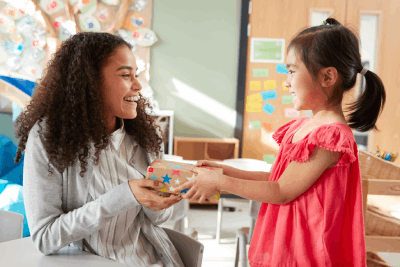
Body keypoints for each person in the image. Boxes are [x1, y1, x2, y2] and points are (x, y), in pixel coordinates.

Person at [173, 18, 386, 266]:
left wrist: (220, 182)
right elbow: (280, 180)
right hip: (288, 244)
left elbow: (282, 192)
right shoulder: (306, 127)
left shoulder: (330, 137)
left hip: (306, 253)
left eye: (292, 71)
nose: (286, 82)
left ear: (328, 77)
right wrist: (225, 172)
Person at [14, 32, 184, 267]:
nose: (137, 85)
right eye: (126, 75)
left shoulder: (147, 136)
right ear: (90, 81)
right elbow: (45, 238)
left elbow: (160, 220)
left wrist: (159, 201)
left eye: (136, 75)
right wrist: (126, 195)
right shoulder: (49, 137)